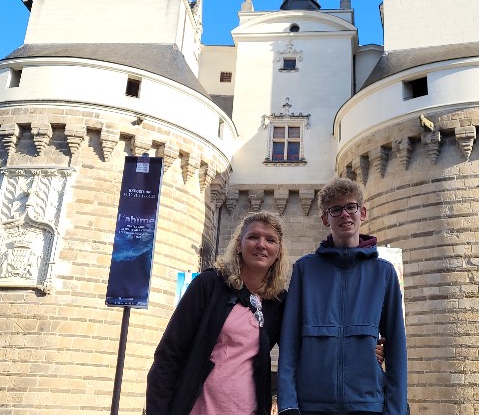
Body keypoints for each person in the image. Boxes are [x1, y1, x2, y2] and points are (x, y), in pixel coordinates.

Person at [277, 177, 407, 415]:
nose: (344, 214)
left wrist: (396, 409)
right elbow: (290, 342)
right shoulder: (305, 270)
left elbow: (397, 347)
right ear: (325, 219)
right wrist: (287, 405)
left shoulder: (384, 273)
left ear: (363, 212)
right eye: (335, 209)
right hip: (312, 406)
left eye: (351, 207)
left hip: (367, 404)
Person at [146, 211, 290, 415]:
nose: (261, 244)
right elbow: (169, 355)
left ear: (279, 251)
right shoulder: (209, 286)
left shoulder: (278, 301)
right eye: (253, 237)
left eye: (270, 240)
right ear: (239, 245)